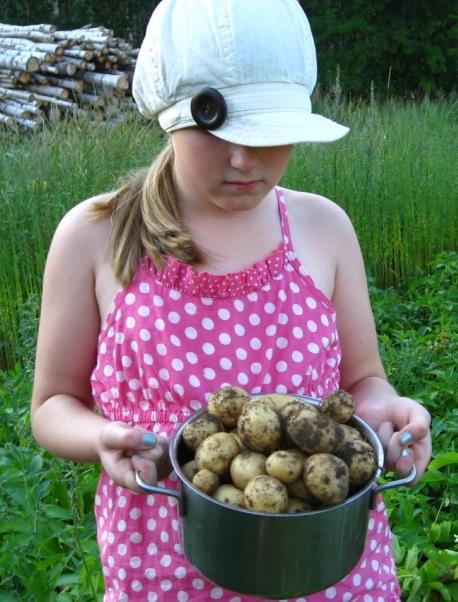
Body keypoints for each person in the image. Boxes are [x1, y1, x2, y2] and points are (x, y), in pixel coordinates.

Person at [31, 0, 432, 600]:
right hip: (163, 563)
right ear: (167, 116)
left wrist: (387, 412)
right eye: (215, 131)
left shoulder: (324, 228)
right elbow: (52, 404)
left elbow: (364, 378)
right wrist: (98, 439)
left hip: (325, 562)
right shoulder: (96, 234)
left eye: (267, 133)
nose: (244, 160)